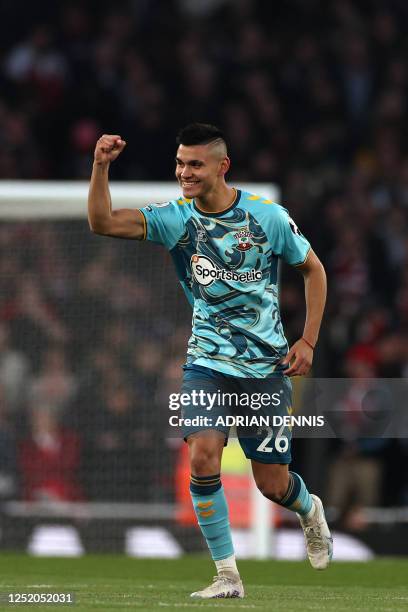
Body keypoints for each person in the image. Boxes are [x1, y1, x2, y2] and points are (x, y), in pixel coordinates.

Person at [88, 123, 332, 599]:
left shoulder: (269, 218)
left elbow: (314, 269)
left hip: (265, 368)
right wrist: (100, 167)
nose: (184, 173)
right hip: (206, 361)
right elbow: (102, 222)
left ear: (222, 167)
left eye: (195, 164)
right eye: (180, 163)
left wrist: (308, 342)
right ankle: (227, 575)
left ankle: (309, 509)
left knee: (271, 485)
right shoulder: (176, 220)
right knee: (202, 456)